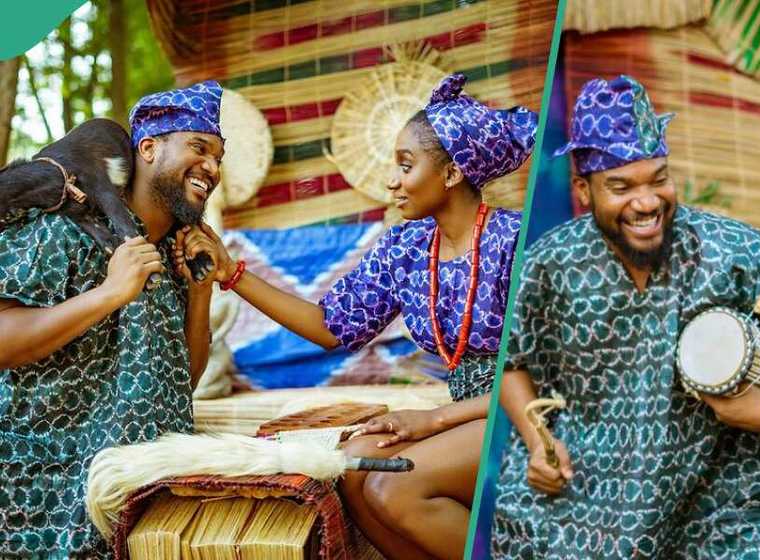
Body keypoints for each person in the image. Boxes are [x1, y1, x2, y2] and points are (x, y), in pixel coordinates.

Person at [194, 73, 535, 560]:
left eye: (406, 165)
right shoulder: (408, 247)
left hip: (524, 407)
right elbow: (330, 327)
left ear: (451, 173)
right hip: (467, 411)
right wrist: (231, 274)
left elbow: (544, 371)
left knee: (395, 487)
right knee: (353, 470)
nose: (392, 180)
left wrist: (434, 419)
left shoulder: (516, 241)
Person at [490, 75, 760, 559]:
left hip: (730, 498)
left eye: (659, 179)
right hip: (588, 497)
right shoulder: (549, 263)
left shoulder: (733, 251)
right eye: (621, 186)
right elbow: (511, 358)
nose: (647, 202)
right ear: (583, 190)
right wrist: (537, 443)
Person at [0, 81, 227, 558]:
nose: (212, 167)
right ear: (148, 148)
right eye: (199, 147)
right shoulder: (63, 228)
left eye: (218, 158)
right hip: (44, 510)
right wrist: (109, 294)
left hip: (145, 507)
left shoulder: (174, 254)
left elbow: (180, 382)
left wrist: (200, 291)